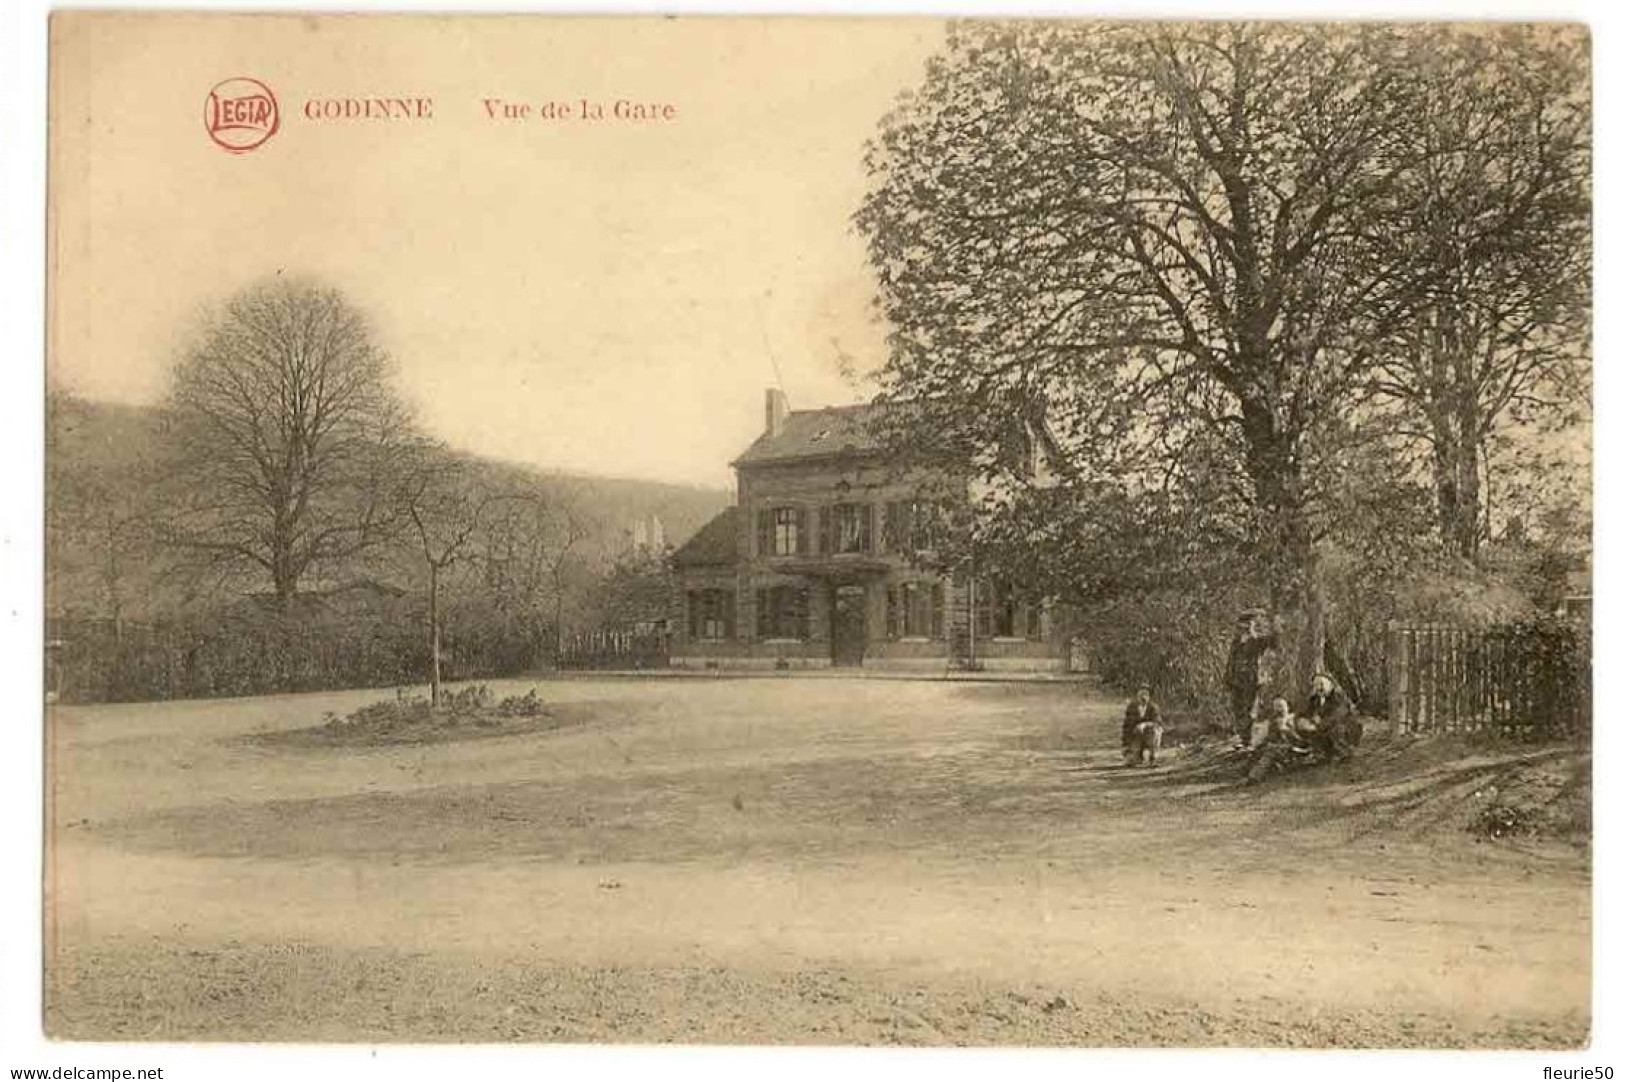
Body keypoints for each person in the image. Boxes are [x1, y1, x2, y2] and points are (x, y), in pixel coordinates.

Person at [1224, 610, 1279, 749]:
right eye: (1242, 625)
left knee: (1249, 710)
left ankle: (1248, 741)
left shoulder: (1258, 641)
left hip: (1251, 680)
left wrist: (1274, 623)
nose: (1244, 628)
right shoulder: (1236, 642)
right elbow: (1231, 661)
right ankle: (1243, 738)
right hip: (1236, 680)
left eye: (1248, 625)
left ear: (1252, 626)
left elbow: (1274, 641)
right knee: (1238, 709)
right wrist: (1228, 678)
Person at [1299, 672, 1361, 762]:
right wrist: (1302, 720)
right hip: (1324, 727)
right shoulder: (1314, 699)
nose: (1319, 688)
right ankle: (1322, 753)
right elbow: (1305, 712)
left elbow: (1337, 716)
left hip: (1345, 728)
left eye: (1321, 684)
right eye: (1316, 685)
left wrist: (1318, 725)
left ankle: (1344, 752)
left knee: (1336, 730)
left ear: (1330, 685)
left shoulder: (1339, 697)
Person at [1122, 684, 1164, 767]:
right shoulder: (1131, 708)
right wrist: (1126, 746)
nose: (1143, 697)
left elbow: (1158, 722)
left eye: (1146, 695)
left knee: (1155, 731)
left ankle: (1153, 757)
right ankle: (1137, 756)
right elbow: (1126, 727)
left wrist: (1144, 725)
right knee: (1131, 762)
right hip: (1136, 736)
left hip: (1150, 735)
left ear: (1149, 697)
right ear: (1137, 696)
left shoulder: (1153, 708)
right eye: (1141, 695)